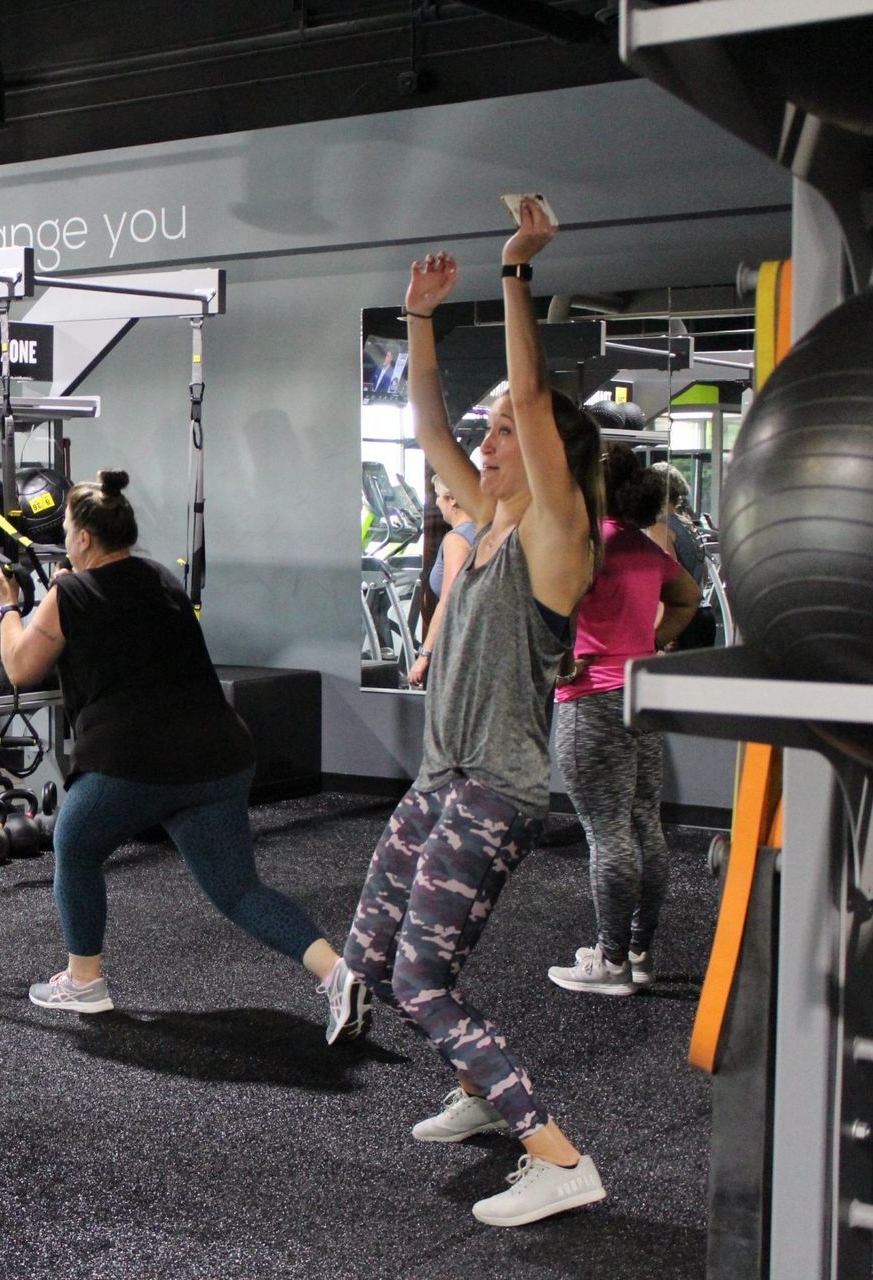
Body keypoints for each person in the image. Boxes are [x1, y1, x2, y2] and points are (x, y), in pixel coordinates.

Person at [336, 197, 609, 1228]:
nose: (484, 445)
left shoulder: (554, 541)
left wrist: (513, 274)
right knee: (377, 928)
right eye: (487, 433)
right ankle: (468, 1085)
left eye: (502, 436)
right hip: (443, 781)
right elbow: (427, 429)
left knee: (420, 979)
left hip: (495, 787)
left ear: (537, 453)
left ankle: (556, 1151)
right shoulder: (485, 527)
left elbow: (534, 405)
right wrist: (415, 320)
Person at [0, 473, 370, 1045]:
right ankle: (338, 973)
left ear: (85, 539)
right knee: (238, 890)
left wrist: (8, 609)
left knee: (75, 843)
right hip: (220, 755)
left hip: (137, 761)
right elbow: (117, 620)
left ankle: (84, 982)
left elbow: (19, 667)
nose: (65, 542)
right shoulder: (158, 578)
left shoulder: (68, 596)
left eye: (68, 532)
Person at [547, 446, 701, 995]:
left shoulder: (590, 545)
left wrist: (562, 663)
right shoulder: (640, 544)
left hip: (592, 700)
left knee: (607, 832)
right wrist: (647, 643)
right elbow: (689, 597)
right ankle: (637, 951)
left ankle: (610, 963)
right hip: (640, 694)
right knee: (644, 825)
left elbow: (546, 617)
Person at [408, 473, 479, 689]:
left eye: (438, 496)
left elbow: (450, 598)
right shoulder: (483, 531)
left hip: (460, 645)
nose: (437, 502)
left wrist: (425, 654)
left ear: (453, 499)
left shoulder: (456, 539)